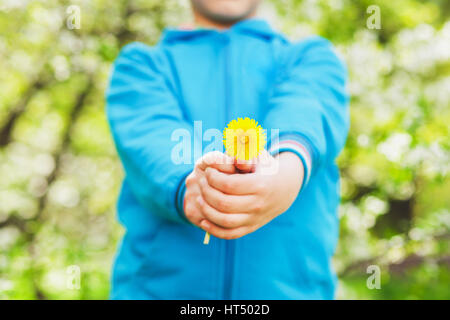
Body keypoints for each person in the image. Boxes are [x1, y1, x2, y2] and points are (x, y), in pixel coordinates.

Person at [106, 0, 349, 299]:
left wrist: (283, 174)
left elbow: (305, 114)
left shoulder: (310, 57)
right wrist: (198, 191)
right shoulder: (141, 65)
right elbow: (153, 142)